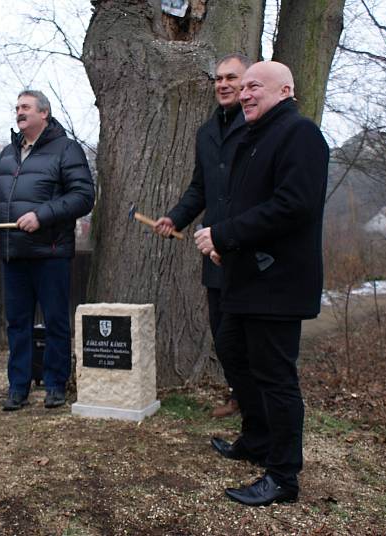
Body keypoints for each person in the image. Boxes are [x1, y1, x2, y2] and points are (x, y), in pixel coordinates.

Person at [194, 61, 329, 506]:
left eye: (256, 86)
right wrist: (225, 246)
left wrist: (226, 235)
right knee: (233, 351)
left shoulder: (300, 134)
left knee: (276, 377)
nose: (246, 94)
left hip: (278, 283)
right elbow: (242, 204)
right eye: (243, 87)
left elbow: (294, 205)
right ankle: (256, 438)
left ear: (285, 90)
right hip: (245, 276)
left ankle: (283, 476)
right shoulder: (255, 138)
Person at [0, 90, 94, 411]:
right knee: (17, 324)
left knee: (56, 322)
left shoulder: (66, 149)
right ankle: (18, 387)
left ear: (44, 113)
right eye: (16, 108)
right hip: (13, 254)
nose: (19, 112)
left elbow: (84, 196)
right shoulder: (7, 153)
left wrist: (42, 215)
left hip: (51, 253)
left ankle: (55, 385)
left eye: (25, 107)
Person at [153, 52, 252, 419]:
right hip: (214, 251)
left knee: (251, 334)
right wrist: (175, 219)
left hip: (250, 246)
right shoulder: (206, 132)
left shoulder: (258, 126)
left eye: (231, 77)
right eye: (219, 79)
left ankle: (257, 403)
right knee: (222, 332)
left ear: (248, 83)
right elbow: (200, 188)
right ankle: (239, 397)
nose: (223, 85)